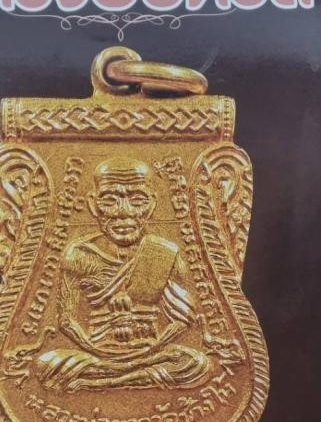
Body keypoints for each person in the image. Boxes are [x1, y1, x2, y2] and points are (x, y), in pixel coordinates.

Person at [36, 156, 210, 393]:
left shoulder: (164, 253)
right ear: (92, 204)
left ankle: (104, 382)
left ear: (152, 204)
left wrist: (146, 352)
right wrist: (100, 352)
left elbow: (181, 322)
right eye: (110, 200)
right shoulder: (80, 254)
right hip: (97, 353)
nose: (123, 212)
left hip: (149, 351)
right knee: (45, 364)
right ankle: (127, 375)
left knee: (197, 363)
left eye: (137, 200)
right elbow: (66, 321)